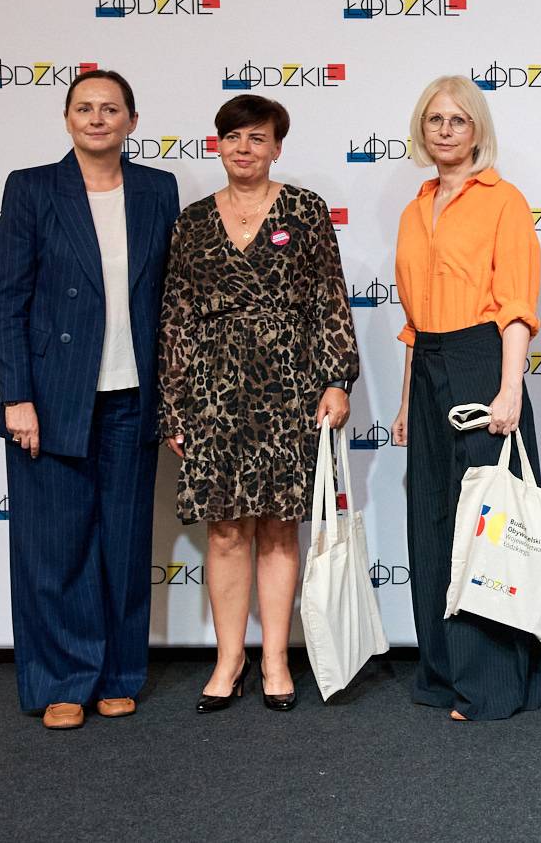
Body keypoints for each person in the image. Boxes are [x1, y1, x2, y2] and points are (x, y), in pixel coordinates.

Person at [0, 69, 180, 730]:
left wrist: (176, 397)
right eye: (84, 107)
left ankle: (118, 675)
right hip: (52, 398)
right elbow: (8, 300)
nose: (97, 118)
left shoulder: (158, 189)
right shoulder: (32, 188)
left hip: (133, 395)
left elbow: (170, 299)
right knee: (55, 549)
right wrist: (17, 397)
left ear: (132, 120)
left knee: (123, 546)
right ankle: (64, 680)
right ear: (67, 118)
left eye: (110, 108)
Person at [159, 95, 359, 713]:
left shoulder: (305, 210)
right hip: (212, 390)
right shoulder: (192, 221)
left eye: (256, 138)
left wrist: (336, 380)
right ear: (217, 145)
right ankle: (229, 659)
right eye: (232, 137)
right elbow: (176, 317)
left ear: (276, 147)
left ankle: (275, 657)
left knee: (276, 526)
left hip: (288, 386)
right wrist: (174, 404)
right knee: (224, 531)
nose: (243, 149)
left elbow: (329, 299)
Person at [390, 76, 541, 721]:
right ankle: (442, 673)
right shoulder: (414, 208)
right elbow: (412, 322)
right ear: (421, 130)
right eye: (435, 119)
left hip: (484, 363)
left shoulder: (505, 201)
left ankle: (493, 683)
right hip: (428, 367)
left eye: (458, 119)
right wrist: (406, 401)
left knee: (489, 526)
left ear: (477, 129)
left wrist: (509, 389)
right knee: (431, 522)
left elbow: (516, 307)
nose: (446, 130)